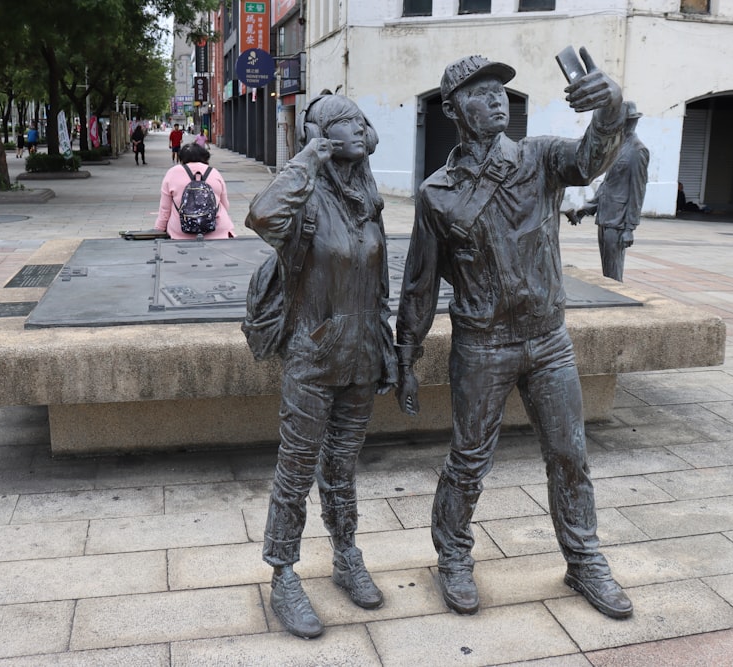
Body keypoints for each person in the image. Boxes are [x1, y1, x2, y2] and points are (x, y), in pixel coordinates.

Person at [395, 54, 633, 620]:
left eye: (502, 88)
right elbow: (420, 282)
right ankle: (453, 557)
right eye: (481, 92)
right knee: (470, 459)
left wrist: (611, 105)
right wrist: (406, 353)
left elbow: (589, 160)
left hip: (549, 339)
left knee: (570, 455)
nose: (498, 97)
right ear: (453, 108)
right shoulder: (437, 193)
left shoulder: (539, 157)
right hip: (482, 344)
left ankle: (584, 559)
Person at [246, 93, 397, 639]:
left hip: (360, 356)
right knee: (297, 468)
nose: (362, 128)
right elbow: (261, 215)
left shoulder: (368, 196)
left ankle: (345, 554)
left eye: (362, 121)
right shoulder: (304, 199)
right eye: (348, 123)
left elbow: (377, 286)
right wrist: (307, 156)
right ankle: (283, 573)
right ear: (325, 136)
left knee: (343, 467)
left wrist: (389, 352)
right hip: (312, 359)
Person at [567, 101, 648, 282]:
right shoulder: (617, 146)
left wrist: (630, 228)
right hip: (605, 217)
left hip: (618, 223)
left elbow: (637, 192)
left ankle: (617, 300)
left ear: (627, 122)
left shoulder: (637, 151)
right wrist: (586, 209)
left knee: (613, 273)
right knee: (607, 271)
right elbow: (607, 185)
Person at [154, 142, 234, 239]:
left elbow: (165, 210)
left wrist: (159, 229)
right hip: (217, 233)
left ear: (182, 159)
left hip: (181, 234)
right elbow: (225, 205)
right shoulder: (214, 172)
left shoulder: (172, 173)